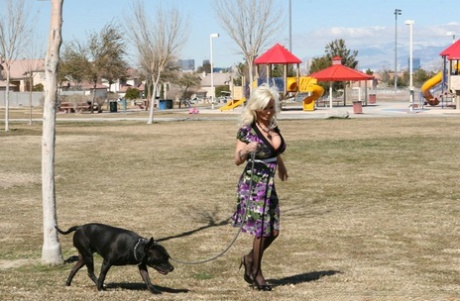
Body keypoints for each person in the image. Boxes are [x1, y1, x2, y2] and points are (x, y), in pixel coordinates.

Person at [231, 84, 288, 291]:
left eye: (272, 107)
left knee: (273, 231)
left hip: (269, 184)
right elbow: (237, 159)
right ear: (256, 108)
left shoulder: (273, 126)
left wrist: (281, 166)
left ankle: (249, 259)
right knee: (262, 231)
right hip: (253, 186)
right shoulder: (247, 130)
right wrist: (246, 149)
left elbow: (276, 150)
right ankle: (257, 272)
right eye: (266, 108)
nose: (269, 112)